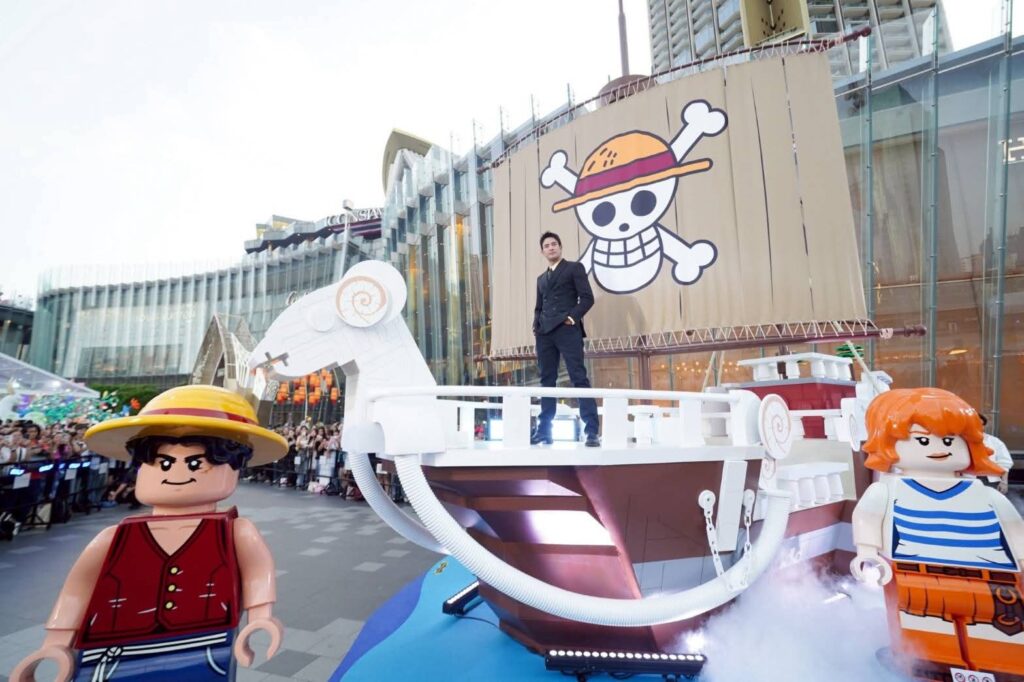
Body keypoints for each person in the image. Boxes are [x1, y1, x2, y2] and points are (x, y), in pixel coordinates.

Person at [11, 385, 289, 682]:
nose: (177, 473)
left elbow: (258, 571)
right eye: (163, 463)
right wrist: (56, 641)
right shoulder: (114, 537)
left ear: (235, 468)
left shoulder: (235, 531)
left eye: (195, 463)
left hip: (204, 645)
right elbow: (79, 585)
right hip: (111, 650)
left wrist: (260, 617)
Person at [850, 387, 1024, 678]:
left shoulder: (986, 495)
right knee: (923, 626)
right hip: (913, 573)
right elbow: (867, 517)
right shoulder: (886, 490)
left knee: (1000, 628)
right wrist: (868, 553)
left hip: (995, 578)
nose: (939, 447)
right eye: (922, 440)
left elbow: (1014, 528)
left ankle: (999, 668)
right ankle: (932, 666)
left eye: (950, 440)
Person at [531, 231, 600, 447]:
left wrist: (572, 318)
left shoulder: (574, 268)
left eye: (554, 244)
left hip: (567, 329)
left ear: (560, 247)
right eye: (547, 245)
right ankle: (544, 431)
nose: (551, 247)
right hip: (545, 333)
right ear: (542, 252)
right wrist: (536, 326)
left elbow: (587, 298)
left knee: (578, 377)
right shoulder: (541, 279)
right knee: (546, 381)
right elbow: (539, 306)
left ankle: (592, 431)